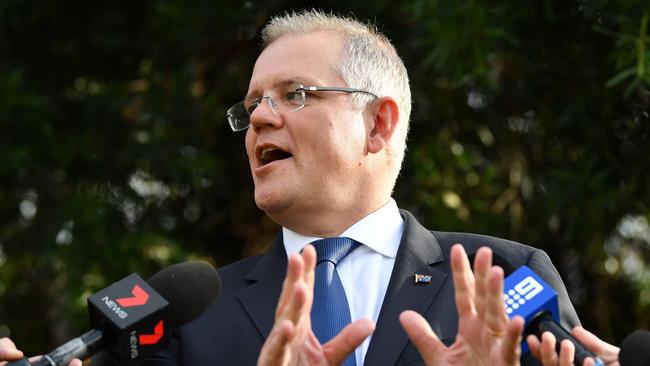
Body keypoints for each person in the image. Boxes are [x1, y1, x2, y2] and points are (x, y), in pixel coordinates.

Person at [0, 10, 582, 366]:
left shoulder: (505, 279)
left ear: (378, 124)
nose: (258, 119)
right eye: (253, 104)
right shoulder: (187, 315)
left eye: (295, 94)